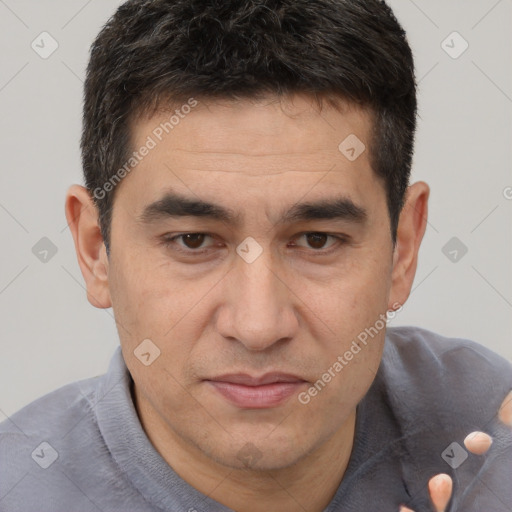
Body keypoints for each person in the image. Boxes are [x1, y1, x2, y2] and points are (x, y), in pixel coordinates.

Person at [1, 1, 511, 511]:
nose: (258, 326)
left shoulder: (492, 437)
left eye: (317, 240)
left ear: (402, 249)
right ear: (96, 251)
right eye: (193, 241)